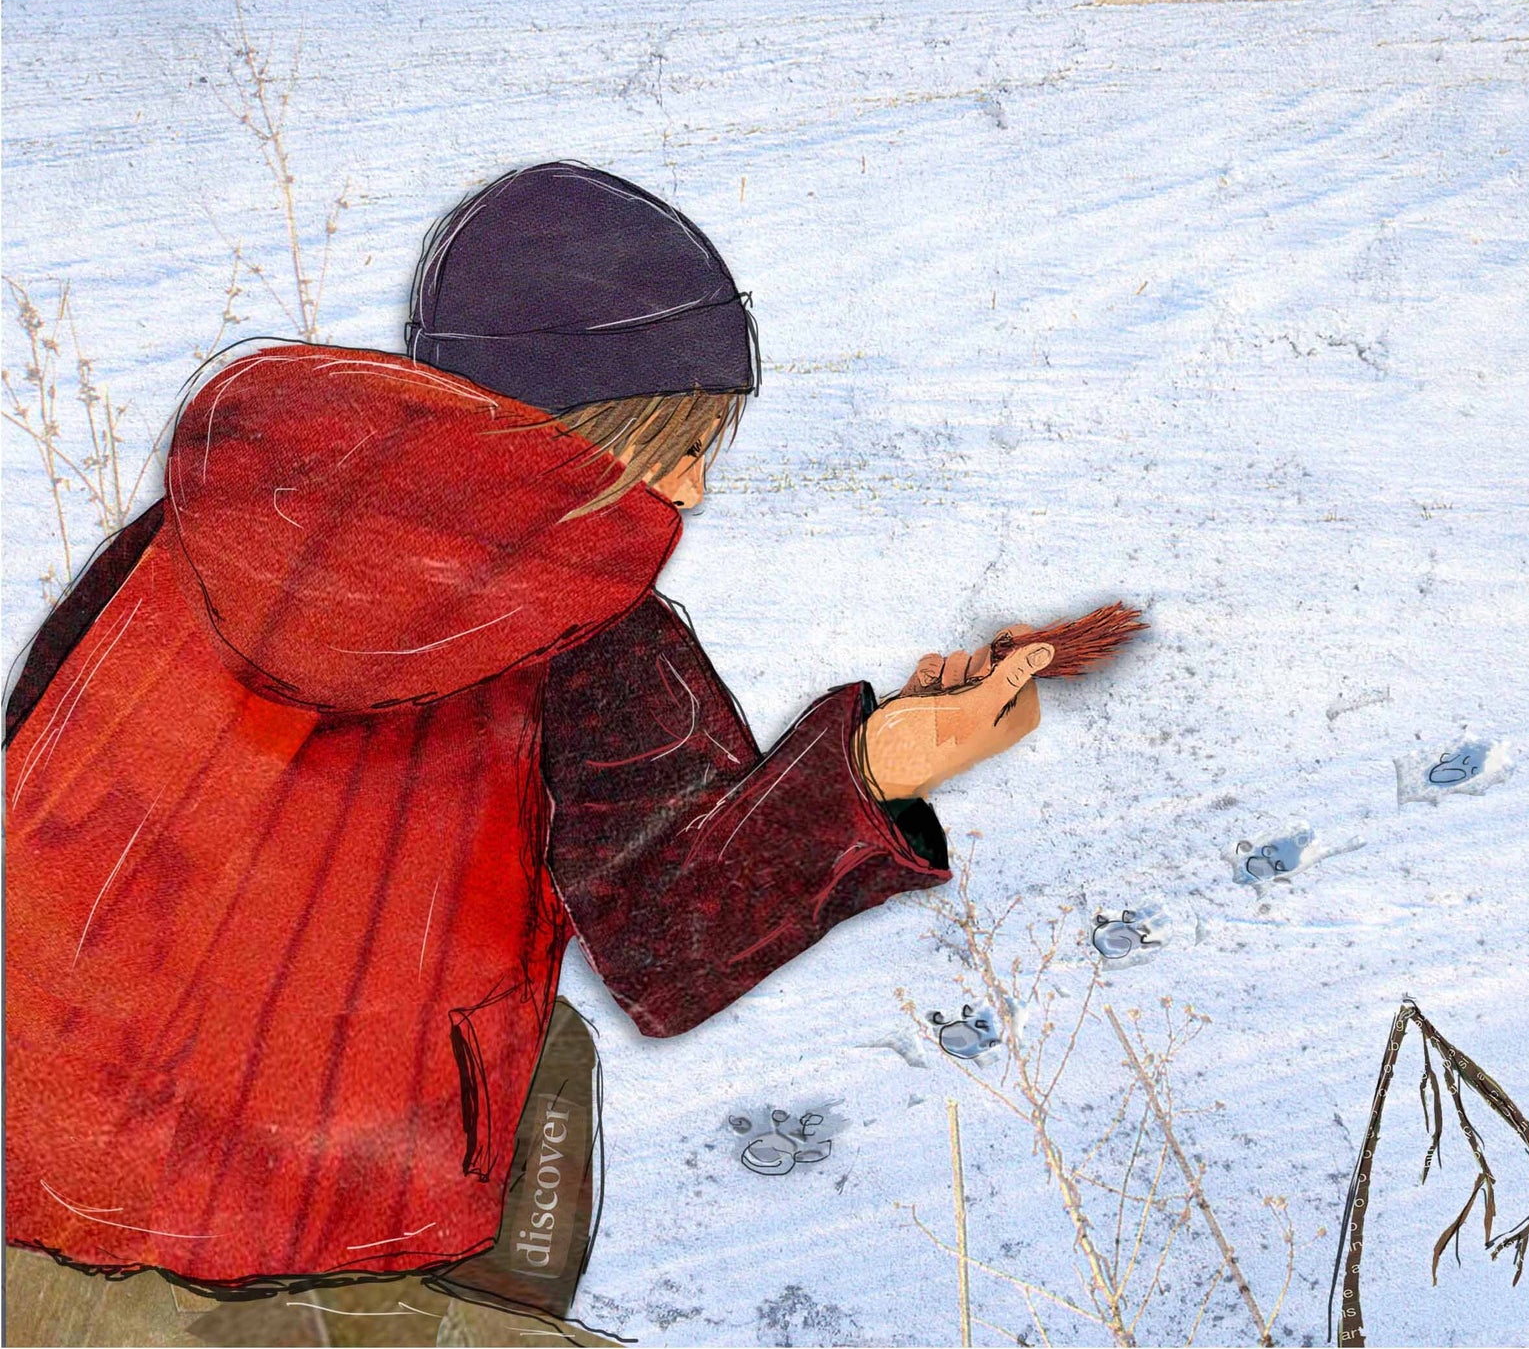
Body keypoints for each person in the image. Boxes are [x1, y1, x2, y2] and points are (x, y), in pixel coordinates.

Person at [3, 162, 1050, 1341]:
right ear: (583, 427)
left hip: (35, 1162)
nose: (697, 487)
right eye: (684, 437)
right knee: (538, 1054)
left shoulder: (202, 523)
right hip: (316, 1225)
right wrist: (878, 771)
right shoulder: (590, 624)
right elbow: (666, 948)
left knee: (533, 1034)